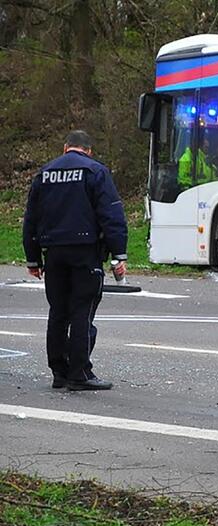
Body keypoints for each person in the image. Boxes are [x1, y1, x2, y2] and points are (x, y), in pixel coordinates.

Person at [22, 130, 127, 391]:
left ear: (65, 147)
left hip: (53, 253)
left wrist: (33, 259)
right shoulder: (95, 172)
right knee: (82, 311)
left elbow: (31, 219)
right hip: (85, 252)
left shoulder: (44, 173)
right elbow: (111, 214)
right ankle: (79, 373)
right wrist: (118, 255)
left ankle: (59, 371)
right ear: (88, 150)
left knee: (58, 312)